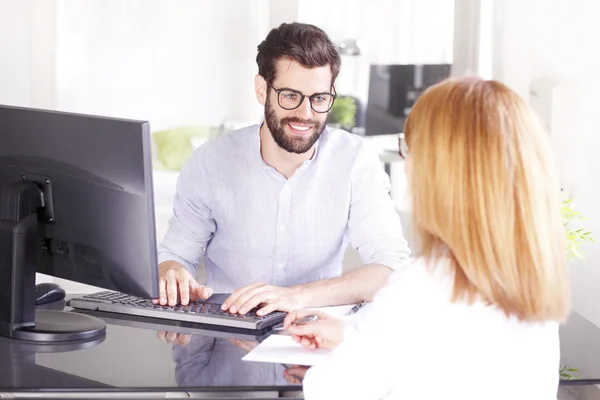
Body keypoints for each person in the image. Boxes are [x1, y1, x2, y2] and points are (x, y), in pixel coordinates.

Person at [283, 77, 571, 399]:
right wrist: (355, 340)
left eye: (411, 149)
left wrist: (334, 365)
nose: (407, 168)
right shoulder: (533, 285)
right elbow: (443, 367)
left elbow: (336, 390)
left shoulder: (423, 287)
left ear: (441, 171)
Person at [154, 22, 410, 315]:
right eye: (290, 96)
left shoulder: (355, 161)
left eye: (319, 98)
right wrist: (172, 273)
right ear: (262, 89)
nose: (305, 113)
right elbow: (174, 257)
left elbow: (392, 269)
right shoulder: (209, 163)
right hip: (226, 339)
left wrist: (296, 297)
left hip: (315, 340)